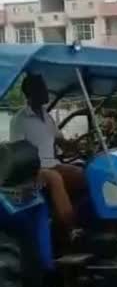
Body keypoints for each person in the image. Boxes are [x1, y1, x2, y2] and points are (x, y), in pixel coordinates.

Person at [9, 74, 85, 240]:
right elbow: (17, 153)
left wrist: (74, 145)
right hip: (34, 170)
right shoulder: (19, 120)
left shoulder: (47, 116)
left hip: (53, 164)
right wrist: (35, 169)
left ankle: (86, 220)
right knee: (54, 178)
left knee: (85, 174)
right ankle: (71, 228)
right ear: (31, 92)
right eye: (42, 88)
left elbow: (59, 140)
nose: (46, 92)